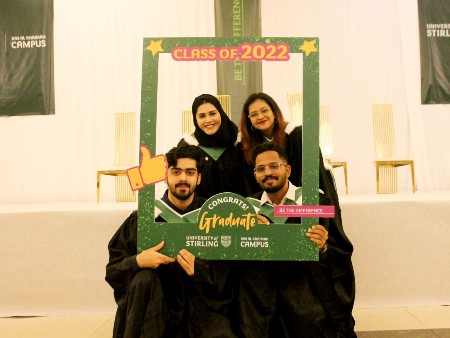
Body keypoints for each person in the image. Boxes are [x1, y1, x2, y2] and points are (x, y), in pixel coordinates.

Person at [239, 92, 355, 329]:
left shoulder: (299, 135)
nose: (260, 116)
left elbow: (314, 180)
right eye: (253, 114)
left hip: (302, 206)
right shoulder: (251, 146)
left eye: (264, 110)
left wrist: (301, 209)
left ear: (275, 113)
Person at [105, 145, 207, 338]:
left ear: (198, 178)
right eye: (176, 172)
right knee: (143, 278)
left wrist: (201, 269)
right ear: (165, 175)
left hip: (199, 307)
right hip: (154, 308)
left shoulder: (212, 218)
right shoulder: (144, 219)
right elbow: (113, 269)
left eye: (190, 172)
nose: (183, 178)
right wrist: (137, 262)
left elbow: (228, 273)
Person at [178, 94, 245, 199]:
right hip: (200, 212)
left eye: (212, 113)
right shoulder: (187, 146)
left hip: (239, 211)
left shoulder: (239, 142)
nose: (208, 120)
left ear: (221, 113)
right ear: (195, 119)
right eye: (202, 116)